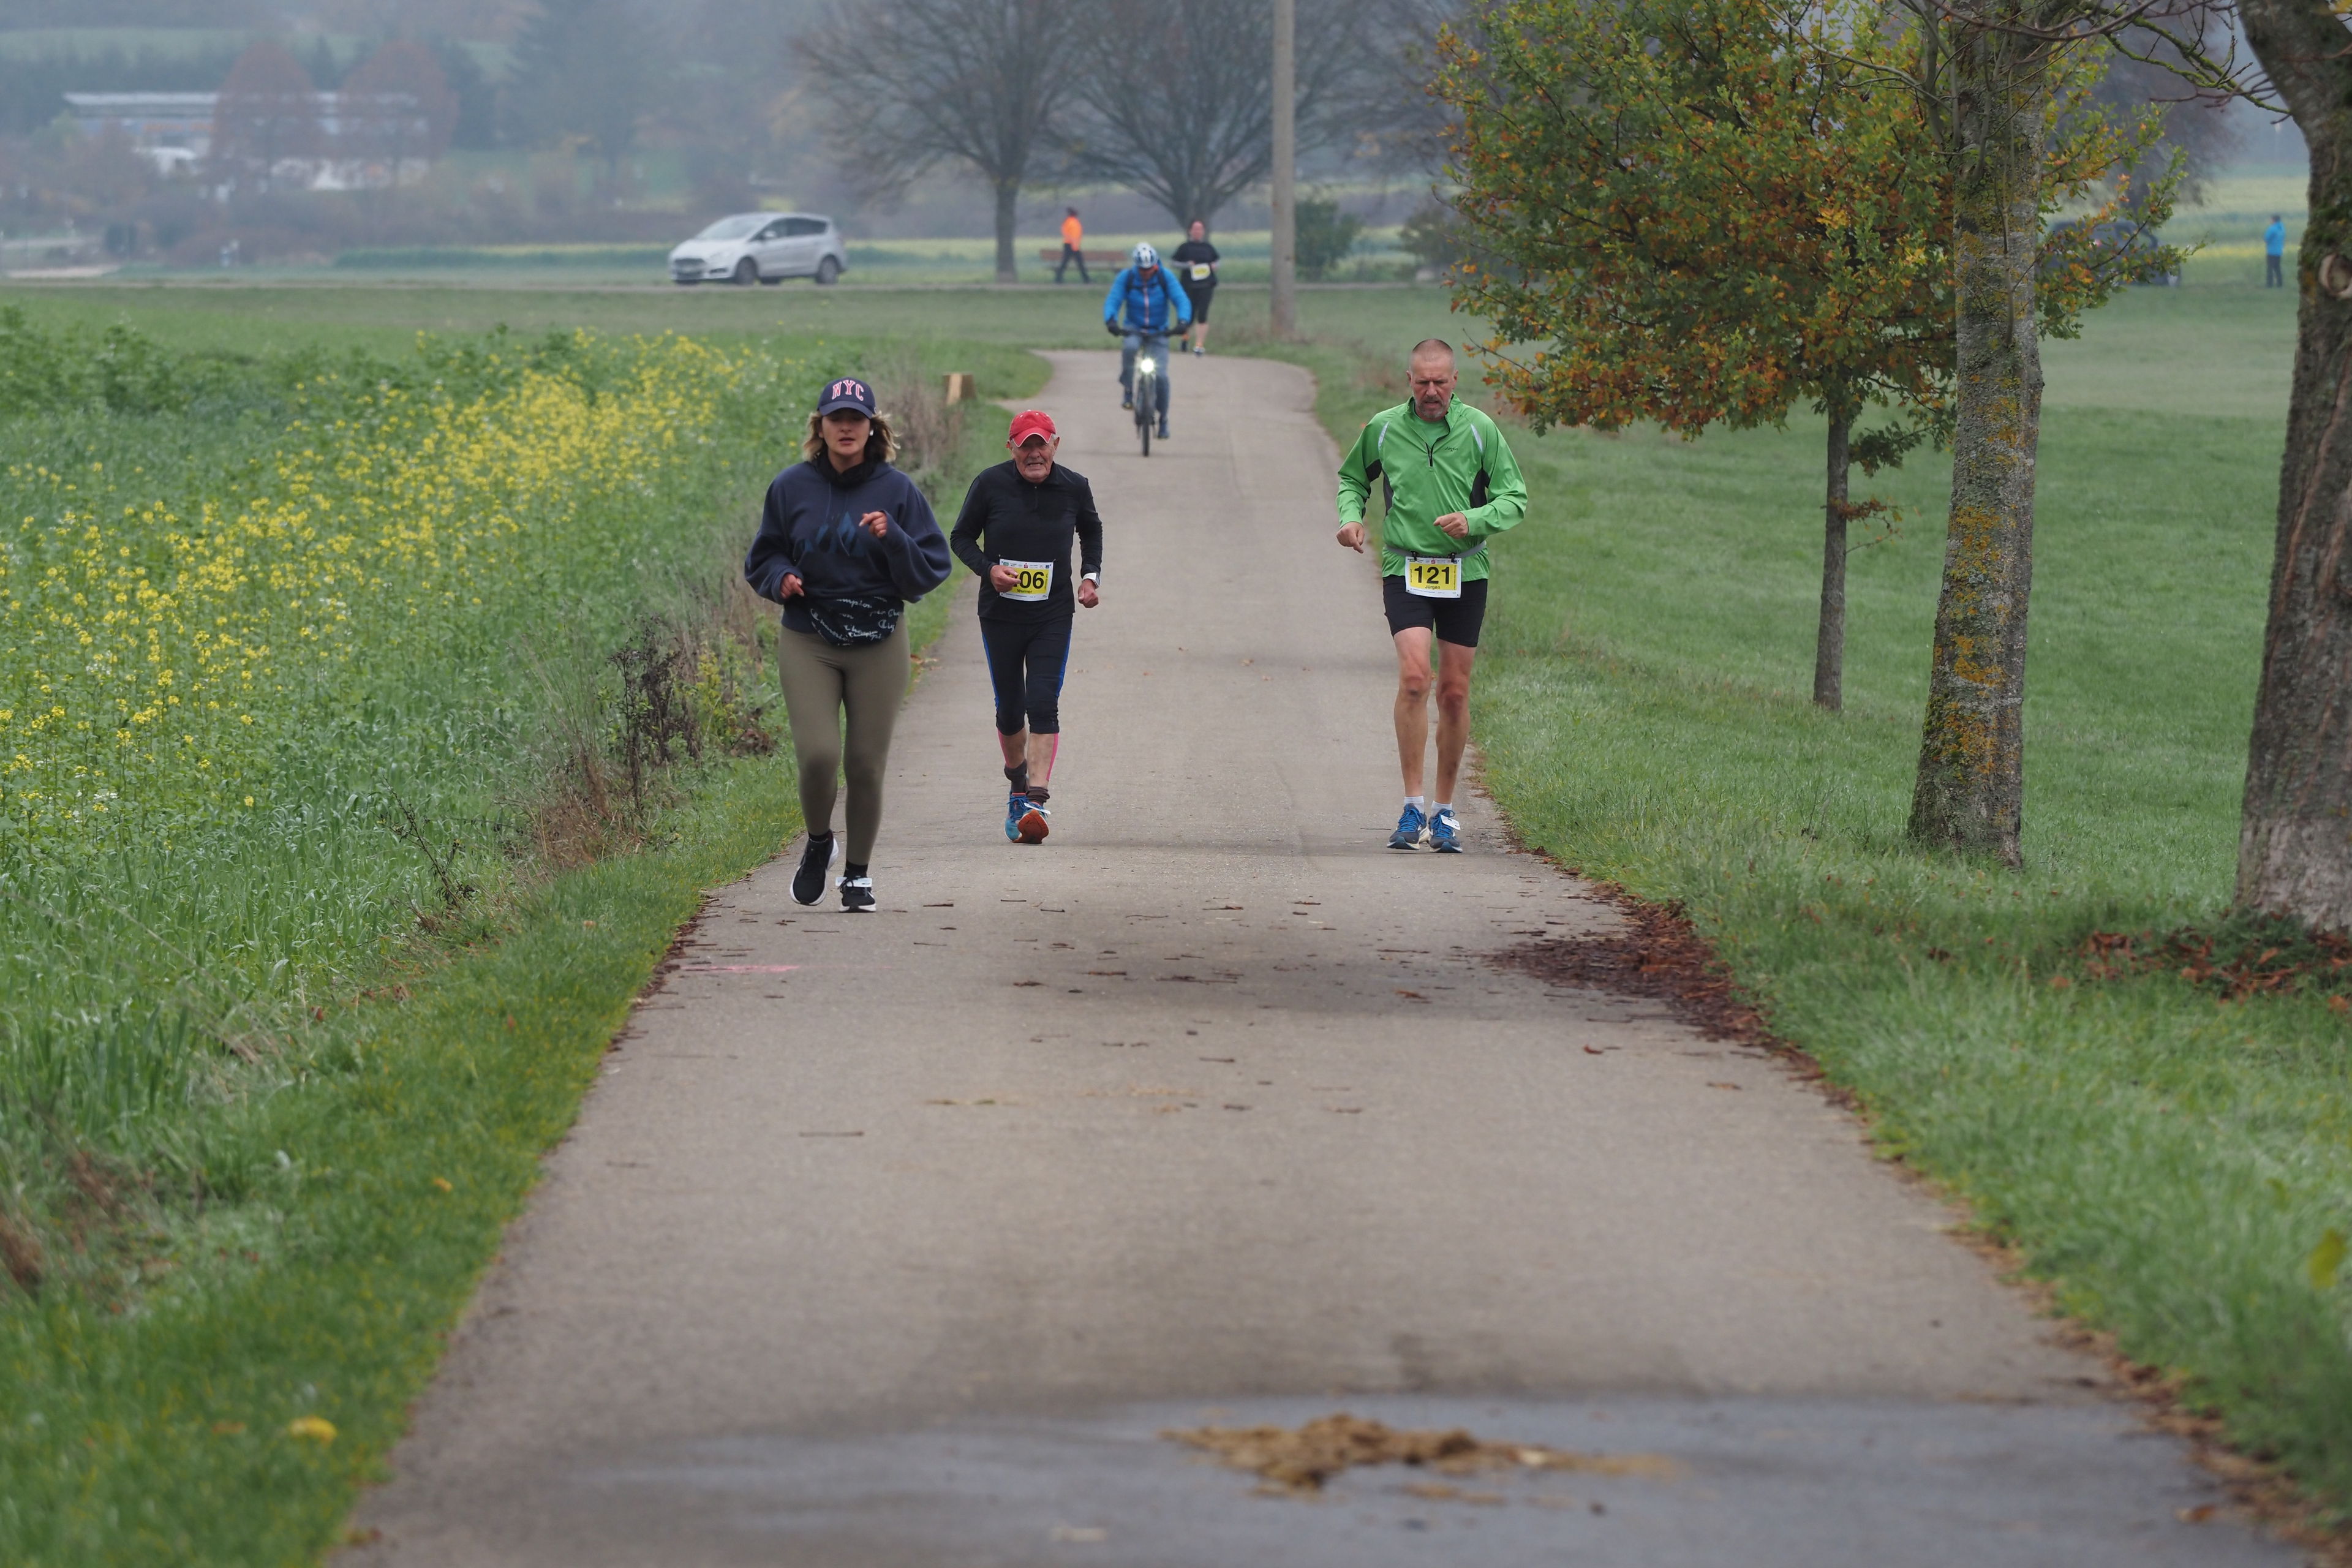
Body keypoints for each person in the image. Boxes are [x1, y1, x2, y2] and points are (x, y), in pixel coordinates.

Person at [744, 376, 952, 910]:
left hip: (879, 639)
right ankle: (819, 842)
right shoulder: (790, 487)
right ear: (820, 427)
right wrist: (781, 577)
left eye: (855, 419)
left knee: (864, 764)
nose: (845, 427)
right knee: (818, 756)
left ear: (872, 428)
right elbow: (764, 555)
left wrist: (894, 537)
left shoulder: (897, 491)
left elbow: (930, 569)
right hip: (809, 637)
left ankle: (857, 875)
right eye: (835, 418)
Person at [1333, 339, 1528, 853]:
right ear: (1409, 381)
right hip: (1406, 566)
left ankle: (1444, 812)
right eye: (1423, 382)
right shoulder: (1384, 428)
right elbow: (1353, 478)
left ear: (1455, 380)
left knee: (1455, 692)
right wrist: (1350, 518)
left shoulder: (1480, 430)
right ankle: (1412, 806)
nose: (1432, 391)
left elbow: (1515, 497)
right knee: (1417, 678)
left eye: (1440, 382)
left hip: (1466, 570)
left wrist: (1475, 519)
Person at [949, 409, 1104, 843]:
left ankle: (1035, 801)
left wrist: (1090, 577)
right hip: (1000, 615)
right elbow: (961, 537)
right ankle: (1017, 783)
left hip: (1052, 615)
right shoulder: (990, 484)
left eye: (1041, 444)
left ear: (1056, 445)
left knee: (1043, 703)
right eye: (1025, 446)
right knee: (1010, 709)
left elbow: (1091, 531)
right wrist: (988, 569)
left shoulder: (1074, 486)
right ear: (1011, 448)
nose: (1034, 454)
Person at [1102, 241, 1191, 440]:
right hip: (1134, 328)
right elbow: (1114, 300)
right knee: (1130, 348)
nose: (1146, 273)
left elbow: (1181, 299)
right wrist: (1111, 320)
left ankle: (1163, 419)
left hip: (1159, 332)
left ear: (1155, 266)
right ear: (1137, 266)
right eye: (1142, 270)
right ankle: (1128, 389)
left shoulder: (1165, 277)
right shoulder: (1127, 278)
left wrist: (1183, 321)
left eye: (1149, 269)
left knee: (1161, 377)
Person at [1172, 219, 1219, 356]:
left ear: (1203, 231)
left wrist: (1215, 266)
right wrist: (1187, 265)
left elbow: (1217, 261)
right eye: (1195, 229)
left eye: (1200, 229)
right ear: (1190, 231)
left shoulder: (1208, 248)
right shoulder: (1184, 247)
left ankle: (1199, 345)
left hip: (1206, 285)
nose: (1198, 232)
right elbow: (1174, 262)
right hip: (1189, 286)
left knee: (1203, 315)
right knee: (1189, 316)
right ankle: (1185, 338)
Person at [1057, 208, 1090, 284]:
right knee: (1079, 263)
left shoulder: (1068, 222)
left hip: (1069, 244)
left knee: (1066, 262)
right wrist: (1075, 245)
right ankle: (1086, 279)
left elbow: (1065, 232)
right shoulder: (1073, 222)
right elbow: (1074, 235)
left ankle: (1058, 278)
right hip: (1072, 245)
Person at [2266, 213, 2286, 288]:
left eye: (2271, 219)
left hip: (2272, 251)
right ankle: (2279, 284)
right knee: (2277, 268)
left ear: (2274, 220)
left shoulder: (2272, 228)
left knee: (2270, 268)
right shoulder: (2282, 228)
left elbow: (2266, 238)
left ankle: (2269, 284)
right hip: (2279, 251)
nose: (2270, 221)